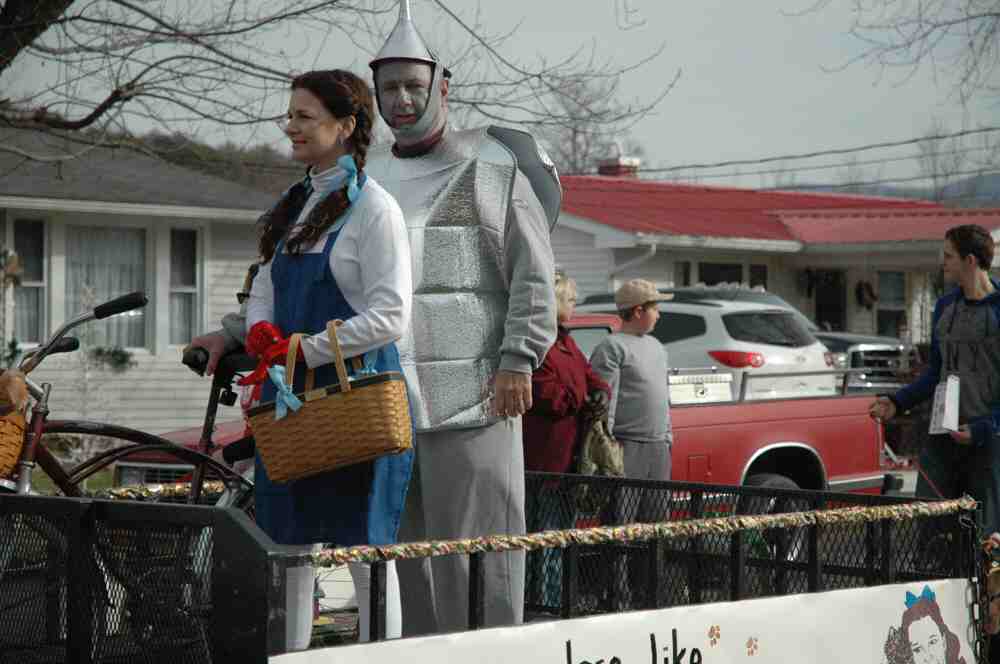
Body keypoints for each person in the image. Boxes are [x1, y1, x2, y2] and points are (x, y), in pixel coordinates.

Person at [364, 1, 559, 635]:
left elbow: (533, 272)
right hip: (389, 405)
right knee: (409, 561)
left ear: (442, 86)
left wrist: (517, 358)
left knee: (482, 555)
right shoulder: (367, 177)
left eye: (414, 85)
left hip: (475, 397)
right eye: (389, 87)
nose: (401, 98)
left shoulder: (492, 165)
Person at [239, 69, 414, 646]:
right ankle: (290, 656)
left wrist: (305, 350)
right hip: (289, 402)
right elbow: (264, 285)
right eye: (288, 115)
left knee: (366, 554)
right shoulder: (291, 207)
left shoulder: (375, 210)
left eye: (304, 117)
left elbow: (392, 316)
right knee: (289, 549)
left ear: (346, 126)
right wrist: (261, 330)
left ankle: (381, 658)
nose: (290, 127)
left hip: (354, 400)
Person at [869, 225, 1000, 537]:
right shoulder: (945, 307)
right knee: (931, 529)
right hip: (941, 438)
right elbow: (933, 374)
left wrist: (983, 427)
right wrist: (897, 402)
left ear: (970, 260)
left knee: (981, 541)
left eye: (949, 256)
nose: (943, 262)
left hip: (987, 442)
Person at [522, 272, 609, 610]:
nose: (574, 304)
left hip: (572, 460)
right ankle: (540, 605)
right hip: (545, 462)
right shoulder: (538, 341)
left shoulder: (567, 342)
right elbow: (548, 395)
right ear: (555, 301)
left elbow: (592, 377)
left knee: (562, 538)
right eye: (570, 299)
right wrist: (587, 395)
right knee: (544, 539)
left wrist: (600, 391)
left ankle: (555, 602)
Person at [589, 278, 672, 609]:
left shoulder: (657, 347)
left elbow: (664, 399)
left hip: (656, 447)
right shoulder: (612, 347)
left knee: (655, 526)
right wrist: (608, 448)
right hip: (625, 445)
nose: (659, 315)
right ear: (638, 311)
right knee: (620, 526)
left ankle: (650, 592)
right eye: (655, 308)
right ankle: (615, 594)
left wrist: (667, 437)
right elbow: (603, 402)